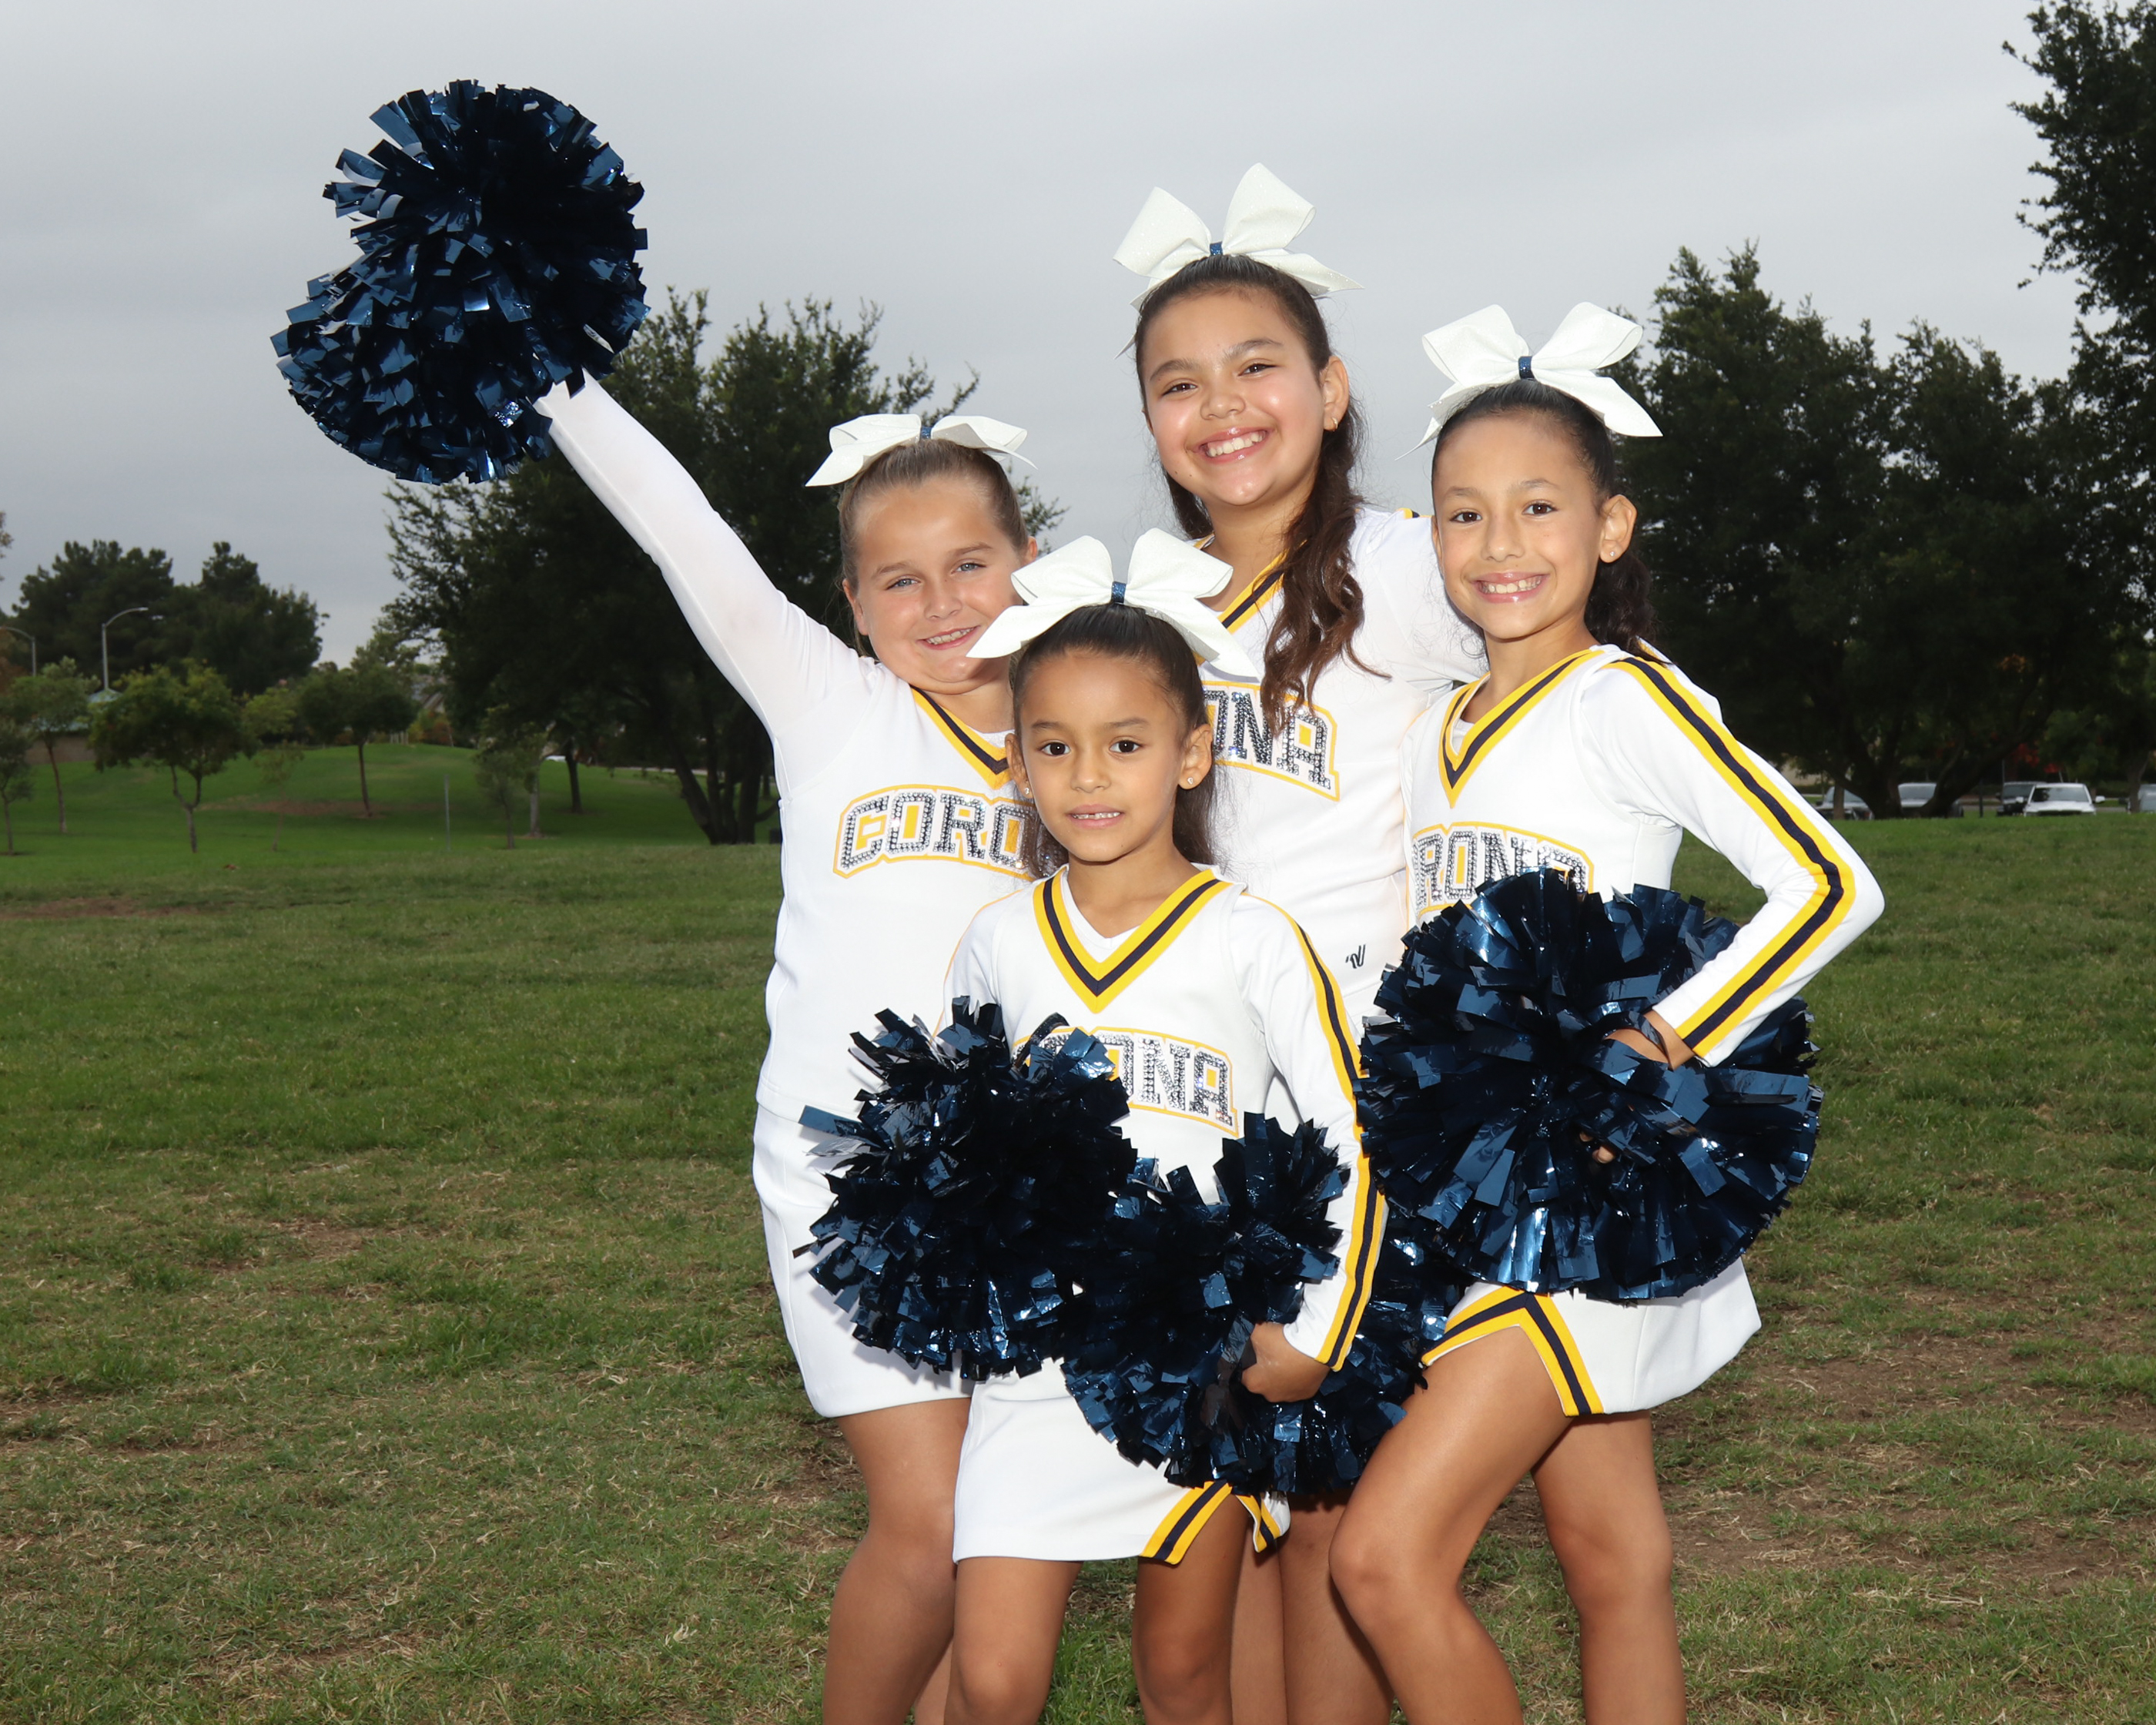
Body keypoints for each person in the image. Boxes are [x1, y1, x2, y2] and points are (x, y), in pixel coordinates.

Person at [1328, 305, 1883, 1724]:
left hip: (1586, 1185)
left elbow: (1829, 883)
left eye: (1539, 507)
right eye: (1464, 513)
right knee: (1612, 1560)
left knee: (1385, 1564)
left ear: (1611, 525)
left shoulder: (1625, 699)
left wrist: (1665, 1042)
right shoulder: (1439, 724)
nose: (1500, 543)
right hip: (1478, 1188)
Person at [535, 384, 1042, 1725]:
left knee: (1005, 1542)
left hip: (1022, 1183)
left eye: (972, 564)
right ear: (853, 603)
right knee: (932, 1526)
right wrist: (550, 371)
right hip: (848, 1176)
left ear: (1030, 560)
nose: (942, 604)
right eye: (900, 580)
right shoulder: (830, 702)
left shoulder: (1086, 730)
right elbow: (680, 529)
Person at [1115, 164, 1484, 1723]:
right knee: (1244, 1500)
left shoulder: (1414, 564)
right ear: (1149, 422)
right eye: (1176, 382)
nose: (1221, 407)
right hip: (1210, 1099)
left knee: (1332, 1503)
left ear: (1330, 392)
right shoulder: (1146, 605)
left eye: (1257, 365)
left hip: (1368, 1101)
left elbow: (1589, 712)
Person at [939, 534, 1381, 1725]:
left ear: (1191, 752)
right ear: (1016, 760)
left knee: (1184, 1677)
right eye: (1054, 746)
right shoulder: (997, 943)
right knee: (994, 1677)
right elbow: (959, 1145)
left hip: (1200, 1358)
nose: (1089, 776)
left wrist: (1314, 1334)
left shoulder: (1252, 937)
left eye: (1125, 744)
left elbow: (1353, 1132)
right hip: (1036, 1367)